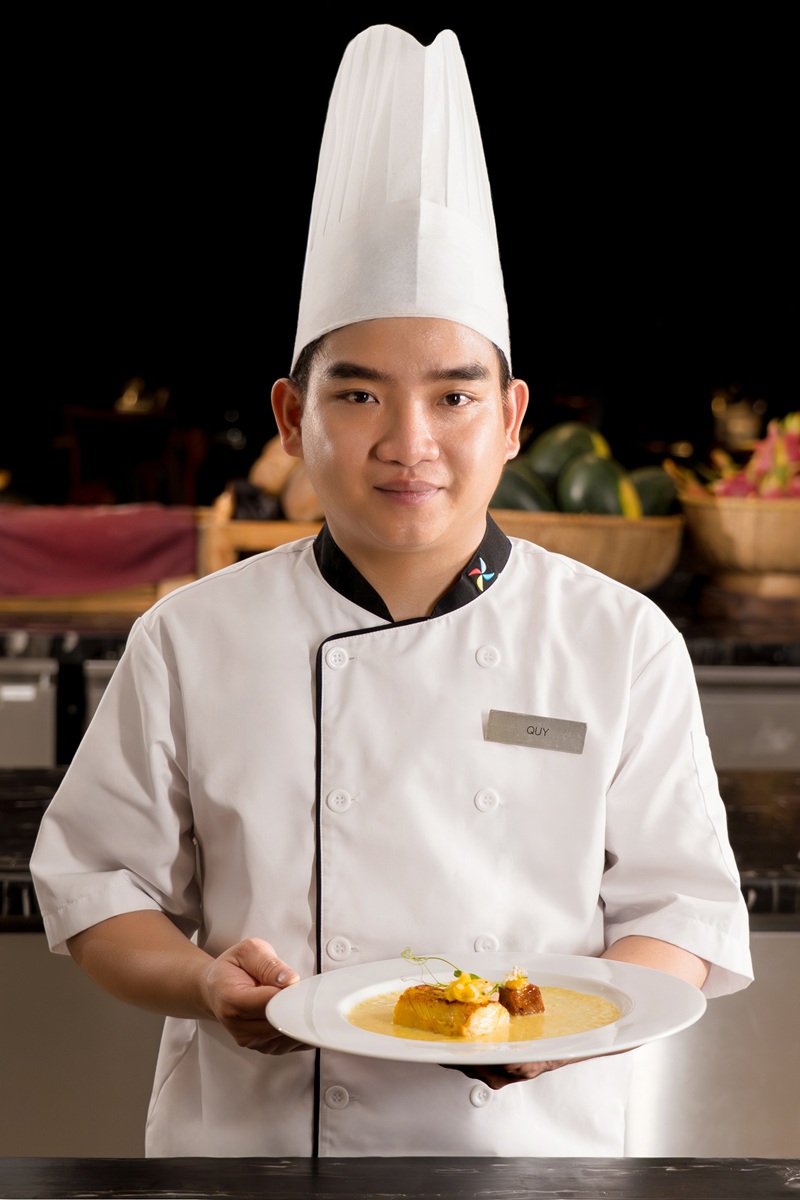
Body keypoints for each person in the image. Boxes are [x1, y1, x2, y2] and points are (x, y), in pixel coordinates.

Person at [31, 26, 752, 1158]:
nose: (409, 443)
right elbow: (94, 887)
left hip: (529, 1153)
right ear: (291, 419)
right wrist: (204, 982)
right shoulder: (191, 635)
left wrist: (563, 1028)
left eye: (454, 398)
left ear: (510, 419)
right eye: (359, 395)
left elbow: (684, 914)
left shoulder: (619, 640)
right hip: (258, 1153)